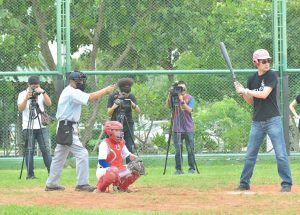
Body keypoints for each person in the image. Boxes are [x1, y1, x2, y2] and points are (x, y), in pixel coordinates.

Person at [45, 70, 115, 192]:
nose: (81, 83)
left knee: (59, 157)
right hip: (66, 127)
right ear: (71, 81)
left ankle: (51, 184)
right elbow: (91, 97)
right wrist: (105, 90)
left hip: (65, 126)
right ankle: (82, 184)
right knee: (82, 154)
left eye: (82, 81)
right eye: (79, 81)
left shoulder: (70, 91)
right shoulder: (72, 92)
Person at [234, 49, 292, 192]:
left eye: (268, 61)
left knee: (280, 154)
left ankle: (286, 183)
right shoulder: (252, 79)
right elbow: (250, 101)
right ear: (256, 62)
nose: (267, 64)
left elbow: (264, 94)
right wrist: (242, 92)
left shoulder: (271, 75)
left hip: (273, 120)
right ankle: (244, 183)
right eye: (263, 61)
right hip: (257, 122)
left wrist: (246, 90)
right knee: (250, 155)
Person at [17, 75, 52, 179]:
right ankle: (30, 175)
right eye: (33, 86)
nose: (35, 88)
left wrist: (43, 92)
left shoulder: (41, 93)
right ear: (28, 85)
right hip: (28, 127)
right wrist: (26, 98)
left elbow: (49, 104)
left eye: (37, 86)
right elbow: (20, 109)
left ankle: (52, 174)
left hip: (41, 126)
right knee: (29, 150)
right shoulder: (22, 94)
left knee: (45, 150)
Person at [96, 121, 140, 193]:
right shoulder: (105, 144)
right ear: (109, 131)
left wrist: (136, 159)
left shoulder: (121, 142)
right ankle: (100, 188)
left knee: (137, 167)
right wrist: (113, 170)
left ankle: (122, 187)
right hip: (104, 170)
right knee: (113, 171)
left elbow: (128, 155)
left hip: (117, 169)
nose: (119, 132)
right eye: (116, 130)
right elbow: (102, 162)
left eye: (120, 130)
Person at [107, 78, 141, 163]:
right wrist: (114, 105)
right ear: (120, 91)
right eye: (124, 94)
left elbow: (138, 110)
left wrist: (131, 103)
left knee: (129, 147)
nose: (126, 95)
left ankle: (129, 169)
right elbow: (109, 113)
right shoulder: (113, 97)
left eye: (128, 94)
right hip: (115, 125)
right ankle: (115, 165)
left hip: (128, 124)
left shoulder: (131, 97)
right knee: (115, 147)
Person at [166, 80, 196, 175]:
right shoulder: (174, 98)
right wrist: (170, 94)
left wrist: (181, 99)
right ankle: (178, 169)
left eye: (182, 88)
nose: (181, 89)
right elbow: (167, 105)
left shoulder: (190, 98)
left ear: (186, 88)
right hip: (176, 127)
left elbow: (189, 110)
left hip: (188, 127)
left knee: (190, 149)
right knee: (178, 150)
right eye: (179, 88)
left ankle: (192, 168)